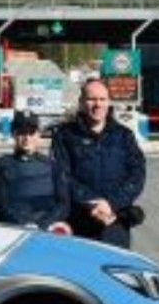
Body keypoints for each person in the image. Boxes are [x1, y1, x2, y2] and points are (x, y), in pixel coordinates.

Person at [51, 78, 145, 248]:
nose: (97, 104)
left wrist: (111, 204)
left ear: (109, 102)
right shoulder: (65, 136)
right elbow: (61, 175)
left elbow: (137, 174)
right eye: (91, 99)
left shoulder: (124, 136)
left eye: (102, 99)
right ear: (81, 102)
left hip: (114, 222)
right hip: (78, 221)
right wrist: (91, 201)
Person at [0, 109, 71, 231]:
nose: (27, 138)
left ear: (38, 135)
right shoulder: (2, 165)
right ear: (13, 134)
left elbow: (63, 204)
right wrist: (23, 224)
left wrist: (43, 224)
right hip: (14, 228)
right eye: (21, 133)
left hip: (46, 229)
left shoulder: (52, 165)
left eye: (31, 133)